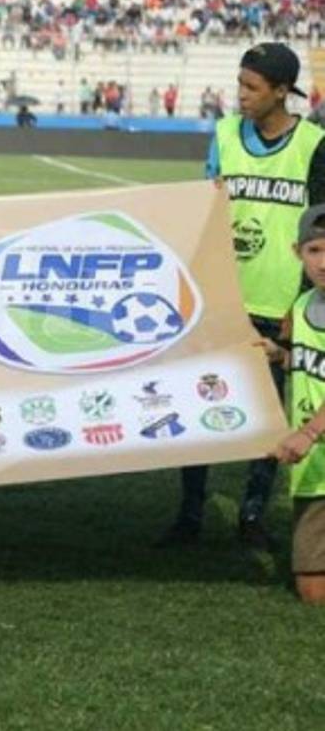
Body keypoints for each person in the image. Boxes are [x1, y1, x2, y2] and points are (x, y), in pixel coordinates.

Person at [161, 42, 325, 548]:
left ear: (282, 91)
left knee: (267, 418)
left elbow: (320, 229)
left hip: (280, 307)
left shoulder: (314, 144)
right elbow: (205, 210)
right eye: (239, 84)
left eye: (252, 87)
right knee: (198, 408)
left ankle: (252, 516)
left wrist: (301, 307)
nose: (242, 95)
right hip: (223, 300)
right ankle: (189, 513)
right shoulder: (225, 134)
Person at [271, 205, 325, 603]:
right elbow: (307, 360)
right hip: (313, 466)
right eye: (315, 250)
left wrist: (309, 431)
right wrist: (279, 354)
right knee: (311, 591)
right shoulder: (302, 307)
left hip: (311, 440)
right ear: (297, 252)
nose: (323, 263)